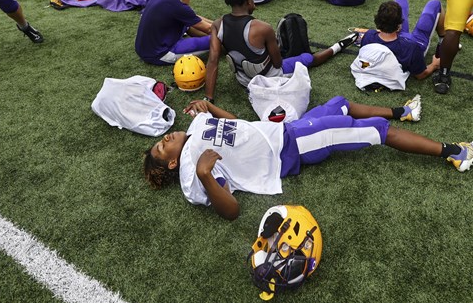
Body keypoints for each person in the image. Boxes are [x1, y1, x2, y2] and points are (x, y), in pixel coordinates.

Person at [143, 96, 472, 220]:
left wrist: (209, 106)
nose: (165, 138)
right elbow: (231, 210)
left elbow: (241, 126)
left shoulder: (196, 125)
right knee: (377, 130)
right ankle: (455, 152)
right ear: (172, 163)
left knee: (340, 103)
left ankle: (405, 111)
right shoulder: (191, 171)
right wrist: (203, 175)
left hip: (286, 130)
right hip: (292, 146)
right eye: (161, 147)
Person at [203, 0, 357, 101]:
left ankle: (337, 46)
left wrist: (208, 98)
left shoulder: (217, 24)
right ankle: (338, 46)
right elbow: (277, 63)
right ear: (249, 1)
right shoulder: (263, 28)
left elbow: (213, 61)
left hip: (243, 79)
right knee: (308, 58)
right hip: (269, 79)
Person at [135, 0, 211, 65]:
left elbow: (193, 18)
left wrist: (217, 22)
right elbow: (209, 29)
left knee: (190, 23)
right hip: (160, 54)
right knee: (216, 39)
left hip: (145, 49)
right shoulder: (176, 6)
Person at [359, 0, 444, 81]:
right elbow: (420, 75)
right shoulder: (412, 48)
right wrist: (434, 65)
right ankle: (443, 39)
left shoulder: (368, 36)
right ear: (399, 25)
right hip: (413, 43)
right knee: (434, 3)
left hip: (397, 40)